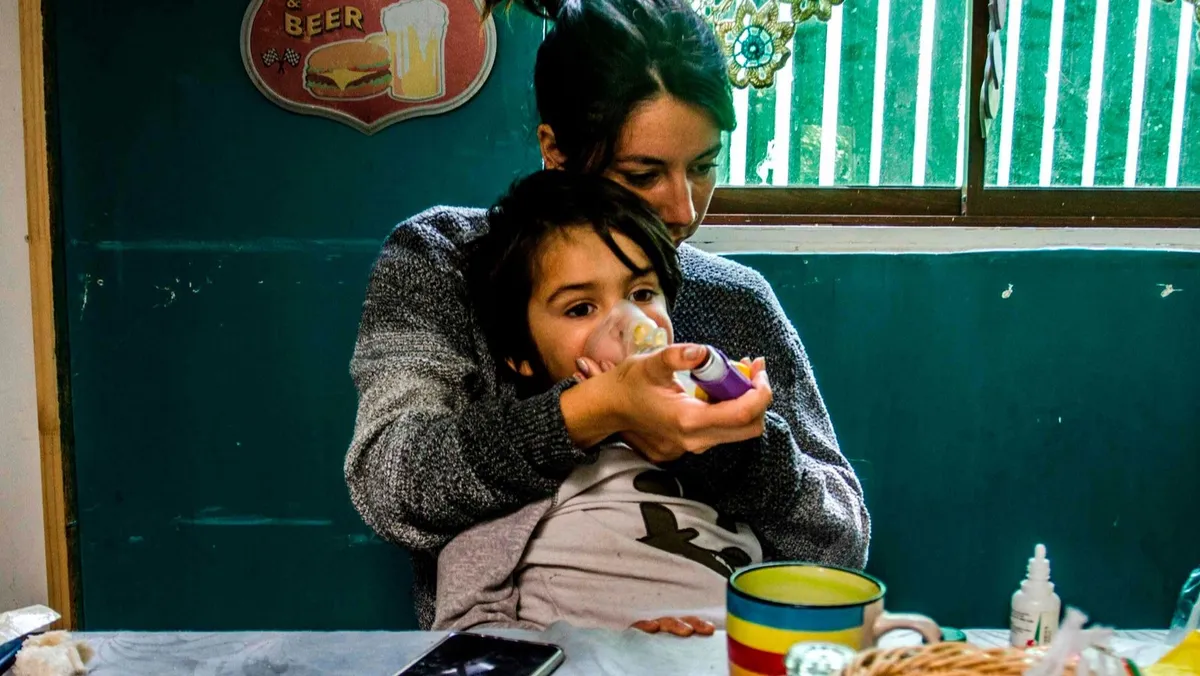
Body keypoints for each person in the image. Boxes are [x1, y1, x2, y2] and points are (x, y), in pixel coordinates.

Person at [345, 0, 871, 635]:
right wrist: (595, 410)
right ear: (555, 150)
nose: (682, 210)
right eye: (643, 174)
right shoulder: (451, 261)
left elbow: (840, 543)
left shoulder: (737, 300)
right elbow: (391, 485)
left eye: (703, 166)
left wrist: (731, 453)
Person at [435, 170, 765, 632]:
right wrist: (604, 653)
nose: (632, 325)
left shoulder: (708, 443)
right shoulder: (519, 472)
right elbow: (468, 628)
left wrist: (745, 440)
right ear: (519, 355)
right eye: (580, 308)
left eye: (642, 294)